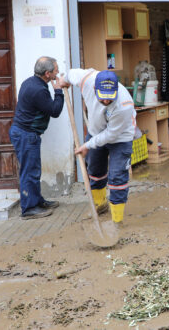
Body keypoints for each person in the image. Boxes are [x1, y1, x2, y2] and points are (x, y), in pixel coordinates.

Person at [60, 69, 137, 223]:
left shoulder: (124, 104)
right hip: (96, 132)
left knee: (117, 176)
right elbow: (71, 74)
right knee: (94, 170)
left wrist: (87, 145)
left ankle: (117, 220)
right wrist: (64, 80)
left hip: (120, 137)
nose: (107, 101)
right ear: (95, 89)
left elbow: (110, 135)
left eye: (110, 98)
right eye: (103, 98)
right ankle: (100, 205)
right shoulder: (87, 80)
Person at [9, 57, 67, 219]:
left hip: (24, 133)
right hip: (26, 135)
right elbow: (54, 111)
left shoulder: (30, 82)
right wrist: (58, 91)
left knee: (33, 170)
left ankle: (37, 201)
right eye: (55, 70)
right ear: (47, 73)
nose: (57, 73)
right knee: (30, 172)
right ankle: (28, 209)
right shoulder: (38, 90)